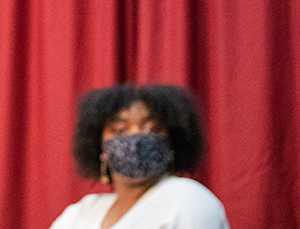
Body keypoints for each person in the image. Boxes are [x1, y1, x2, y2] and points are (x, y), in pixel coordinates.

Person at [48, 83, 230, 229]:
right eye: (119, 129)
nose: (135, 137)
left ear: (172, 143)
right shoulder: (82, 212)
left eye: (151, 128)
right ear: (99, 147)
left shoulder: (187, 200)